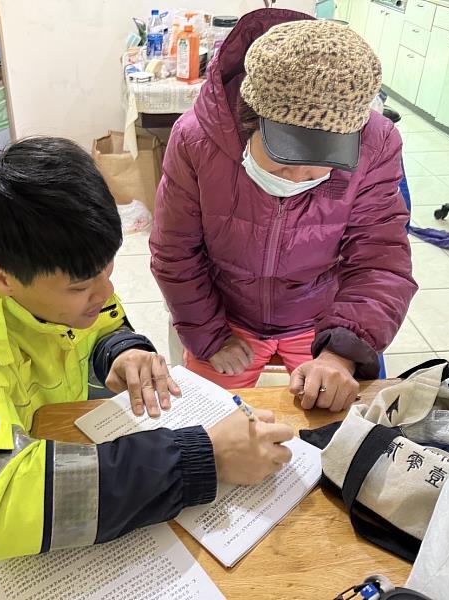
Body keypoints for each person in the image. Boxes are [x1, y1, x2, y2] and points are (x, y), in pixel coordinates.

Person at [0, 137, 295, 599]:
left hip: (22, 441)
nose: (103, 292)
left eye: (108, 269)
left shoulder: (38, 254)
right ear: (0, 279)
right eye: (81, 286)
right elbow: (0, 505)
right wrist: (204, 459)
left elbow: (98, 323)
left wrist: (120, 350)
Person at [150, 12, 417, 411]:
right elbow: (175, 252)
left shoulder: (375, 145)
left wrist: (339, 351)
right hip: (224, 314)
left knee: (343, 425)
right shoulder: (196, 140)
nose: (296, 179)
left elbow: (380, 262)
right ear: (249, 121)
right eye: (282, 160)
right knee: (207, 423)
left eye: (319, 165)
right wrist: (211, 336)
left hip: (322, 318)